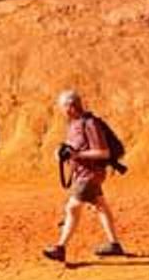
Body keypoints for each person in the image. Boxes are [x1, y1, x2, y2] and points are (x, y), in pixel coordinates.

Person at [43, 89, 125, 262]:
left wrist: (77, 156)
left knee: (72, 208)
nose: (61, 110)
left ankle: (60, 247)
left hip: (91, 174)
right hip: (82, 174)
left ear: (71, 106)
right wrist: (62, 153)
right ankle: (114, 244)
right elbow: (74, 149)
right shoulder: (73, 125)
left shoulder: (90, 124)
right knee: (100, 206)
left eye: (63, 106)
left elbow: (103, 152)